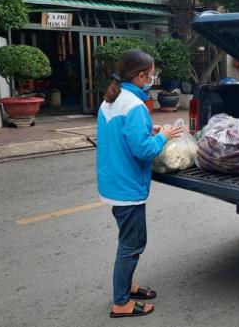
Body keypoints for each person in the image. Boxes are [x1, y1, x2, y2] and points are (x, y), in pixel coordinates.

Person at [96, 49, 182, 318]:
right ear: (141, 75)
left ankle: (127, 286)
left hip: (113, 182)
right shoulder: (134, 106)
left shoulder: (113, 99)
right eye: (152, 73)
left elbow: (123, 136)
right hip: (127, 188)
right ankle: (121, 303)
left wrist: (151, 130)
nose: (154, 77)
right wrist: (163, 136)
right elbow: (144, 151)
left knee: (128, 241)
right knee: (132, 245)